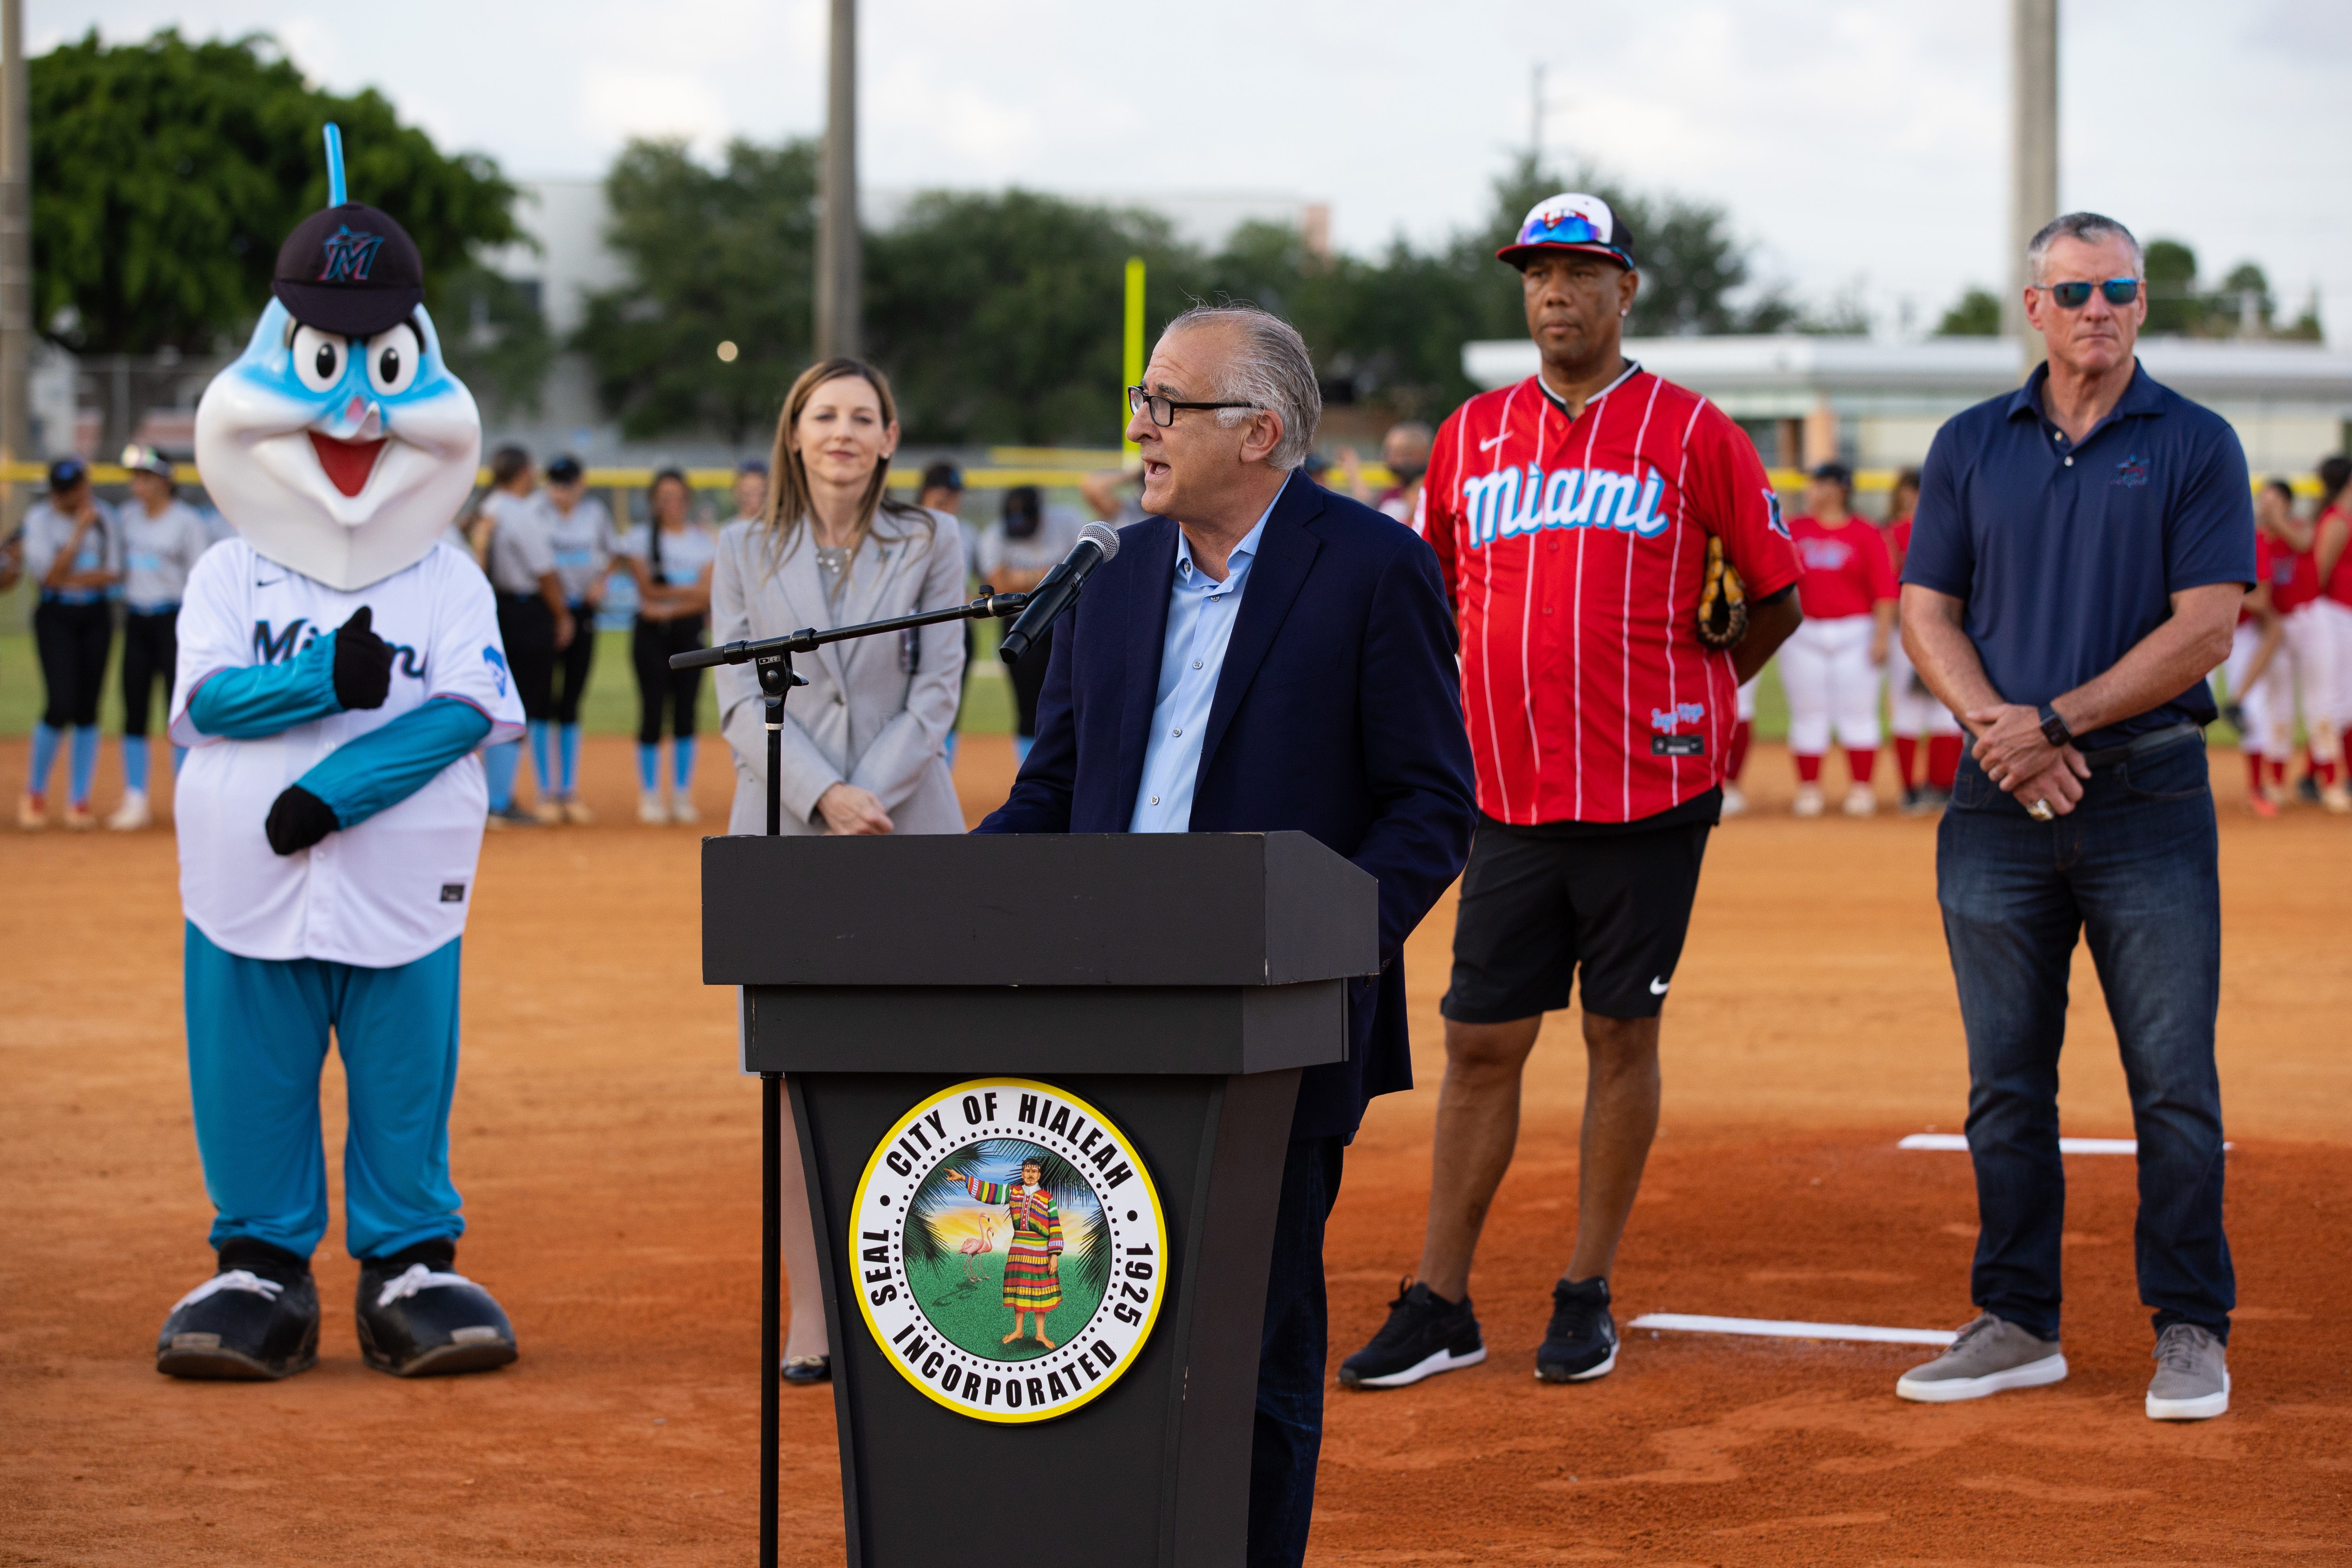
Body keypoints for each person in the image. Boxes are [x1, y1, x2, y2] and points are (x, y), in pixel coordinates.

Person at [976, 303, 1474, 1567]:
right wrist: (953, 895)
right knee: (1088, 1325)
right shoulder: (1116, 574)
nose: (1138, 426)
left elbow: (1430, 805)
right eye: (1141, 399)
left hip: (1277, 1028)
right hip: (1097, 1011)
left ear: (1258, 434)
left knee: (1250, 1347)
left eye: (1165, 403)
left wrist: (1326, 947)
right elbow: (1058, 786)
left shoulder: (1371, 569)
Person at [1342, 192, 1802, 1400]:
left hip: (1648, 791)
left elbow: (1774, 593)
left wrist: (1700, 688)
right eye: (1538, 274)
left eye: (1580, 272)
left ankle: (1583, 1288)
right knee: (1478, 1040)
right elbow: (1429, 597)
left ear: (1623, 290)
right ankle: (1441, 1299)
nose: (1555, 293)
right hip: (1505, 790)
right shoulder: (1471, 434)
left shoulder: (1693, 431)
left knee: (1617, 1031)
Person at [1893, 212, 2252, 1422]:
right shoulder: (1967, 445)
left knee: (2171, 1083)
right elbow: (1925, 612)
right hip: (1997, 801)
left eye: (2119, 289)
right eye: (2074, 290)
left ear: (2139, 306)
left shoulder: (2195, 443)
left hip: (2144, 791)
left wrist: (2050, 720)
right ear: (2033, 309)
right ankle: (2016, 1320)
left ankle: (2190, 1326)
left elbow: (2204, 627)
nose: (2098, 308)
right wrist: (2007, 730)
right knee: (2002, 1083)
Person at [710, 358, 967, 1383]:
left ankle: (931, 1302)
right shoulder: (741, 545)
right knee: (794, 1076)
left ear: (890, 438)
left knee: (922, 1064)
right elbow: (736, 698)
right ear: (794, 433)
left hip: (907, 825)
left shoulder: (934, 539)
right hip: (784, 830)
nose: (843, 432)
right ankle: (811, 1316)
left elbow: (940, 685)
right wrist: (821, 795)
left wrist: (872, 793)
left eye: (863, 416)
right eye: (825, 415)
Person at [1781, 461, 1898, 817]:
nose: (1812, 490)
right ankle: (1809, 791)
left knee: (1859, 714)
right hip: (1804, 632)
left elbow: (1884, 589)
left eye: (1819, 484)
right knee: (1807, 714)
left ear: (1839, 490)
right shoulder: (1793, 529)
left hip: (1855, 631)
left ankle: (1862, 790)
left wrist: (1881, 636)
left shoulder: (1866, 532)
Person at [110, 445, 214, 830]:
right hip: (137, 620)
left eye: (145, 476)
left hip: (174, 621)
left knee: (178, 711)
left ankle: (186, 798)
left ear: (164, 480)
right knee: (134, 708)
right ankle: (135, 797)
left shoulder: (186, 522)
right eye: (135, 477)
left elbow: (201, 579)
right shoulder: (126, 519)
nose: (137, 483)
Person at [18, 457, 123, 831]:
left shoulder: (106, 517)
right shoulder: (40, 521)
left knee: (87, 708)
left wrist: (71, 577)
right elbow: (48, 578)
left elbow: (111, 574)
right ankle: (35, 792)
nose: (73, 496)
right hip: (56, 617)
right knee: (59, 703)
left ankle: (78, 799)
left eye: (77, 487)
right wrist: (78, 534)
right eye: (64, 491)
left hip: (94, 617)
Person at [479, 445, 572, 825]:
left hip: (496, 608)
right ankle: (499, 800)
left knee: (499, 697)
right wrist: (562, 614)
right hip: (525, 612)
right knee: (523, 704)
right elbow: (544, 572)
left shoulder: (489, 507)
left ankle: (494, 796)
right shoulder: (519, 513)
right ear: (522, 473)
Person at [622, 469, 718, 824]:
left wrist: (668, 603)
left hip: (687, 631)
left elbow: (707, 594)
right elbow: (646, 591)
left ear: (688, 500)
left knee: (686, 710)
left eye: (678, 496)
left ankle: (681, 793)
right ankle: (650, 794)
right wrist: (688, 592)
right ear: (653, 501)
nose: (672, 504)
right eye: (664, 497)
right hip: (650, 635)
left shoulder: (703, 541)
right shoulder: (638, 538)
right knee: (651, 708)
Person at [975, 484, 1081, 762]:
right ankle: (1029, 769)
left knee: (1075, 701)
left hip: (1065, 623)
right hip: (1020, 627)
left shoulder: (1067, 521)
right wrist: (1053, 576)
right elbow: (999, 586)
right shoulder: (994, 535)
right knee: (1027, 706)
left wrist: (1021, 579)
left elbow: (1081, 571)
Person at [1882, 466, 1965, 813]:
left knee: (1948, 708)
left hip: (1949, 628)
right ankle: (1910, 789)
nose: (1913, 498)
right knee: (1908, 708)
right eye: (1908, 492)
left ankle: (1942, 785)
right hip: (1906, 627)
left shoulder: (1951, 529)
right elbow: (1886, 581)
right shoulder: (1891, 533)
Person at [539, 455, 615, 822]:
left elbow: (614, 552)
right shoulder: (538, 513)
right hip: (547, 613)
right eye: (555, 483)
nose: (561, 491)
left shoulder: (594, 514)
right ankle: (545, 793)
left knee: (571, 699)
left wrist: (601, 582)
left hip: (583, 611)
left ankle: (567, 790)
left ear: (580, 484)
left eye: (567, 483)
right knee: (541, 701)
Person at [2217, 487, 2287, 817]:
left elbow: (2260, 602)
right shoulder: (2193, 529)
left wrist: (2216, 588)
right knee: (2177, 710)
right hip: (2186, 629)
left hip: (2238, 629)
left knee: (2254, 709)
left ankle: (2257, 789)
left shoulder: (2254, 541)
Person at [944, 1157, 1064, 1347]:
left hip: (1041, 1251)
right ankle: (1018, 1331)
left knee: (1040, 1292)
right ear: (1022, 1174)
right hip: (1018, 1251)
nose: (1030, 1175)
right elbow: (990, 1191)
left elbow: (1055, 1226)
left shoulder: (1048, 1199)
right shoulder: (1013, 1193)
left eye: (1034, 1171)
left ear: (1039, 1174)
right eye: (1026, 1171)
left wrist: (1054, 1255)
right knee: (1019, 1289)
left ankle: (1040, 1334)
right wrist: (963, 1178)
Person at [2311, 456, 2352, 809]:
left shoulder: (2345, 517)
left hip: (2344, 615)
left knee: (2345, 699)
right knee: (2334, 698)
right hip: (2330, 614)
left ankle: (2316, 776)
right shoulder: (2337, 521)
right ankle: (2326, 779)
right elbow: (2319, 574)